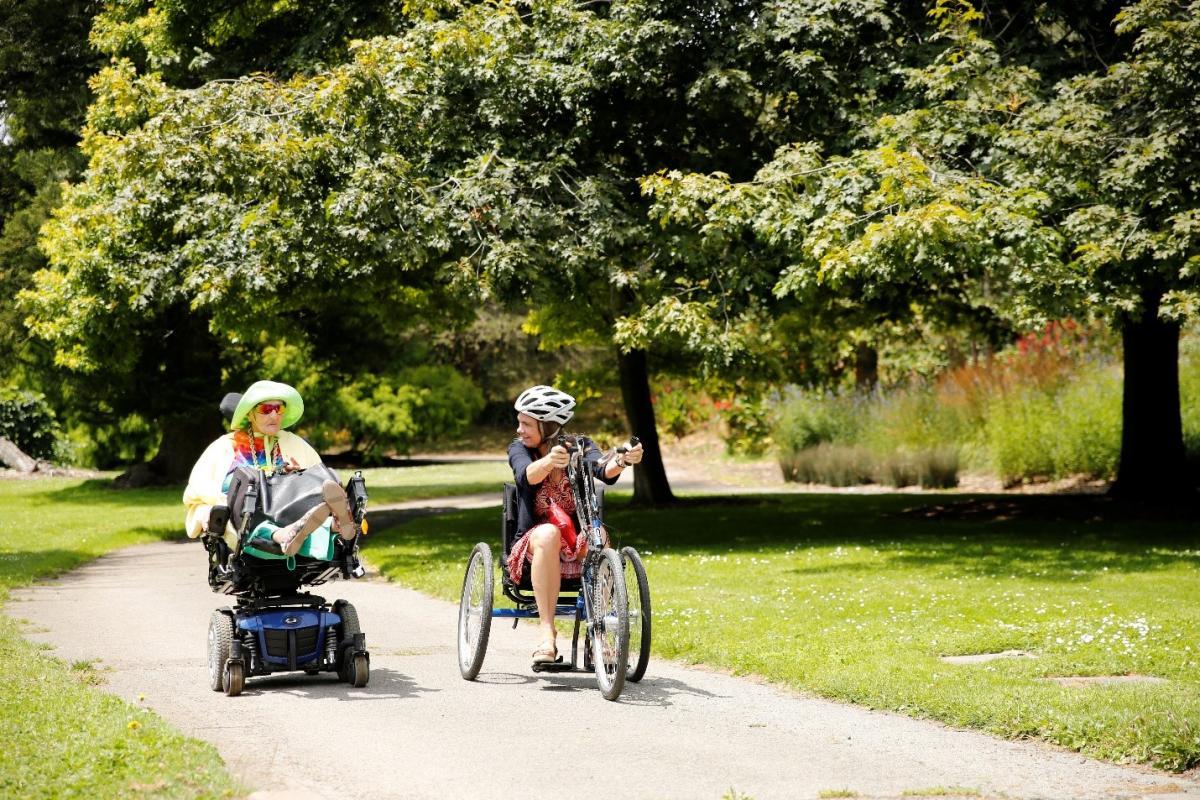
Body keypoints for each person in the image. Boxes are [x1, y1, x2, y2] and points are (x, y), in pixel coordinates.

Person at [507, 385, 643, 664]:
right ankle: (547, 634)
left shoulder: (580, 446)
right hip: (536, 540)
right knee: (548, 533)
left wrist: (623, 460)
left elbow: (603, 469)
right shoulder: (519, 449)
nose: (519, 429)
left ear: (547, 426)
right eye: (519, 422)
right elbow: (525, 476)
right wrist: (548, 462)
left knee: (598, 534)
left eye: (526, 424)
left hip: (575, 537)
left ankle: (600, 633)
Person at [183, 380, 357, 559]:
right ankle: (294, 533)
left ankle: (326, 524)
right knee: (248, 494)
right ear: (250, 414)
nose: (274, 415)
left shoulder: (294, 443)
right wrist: (207, 511)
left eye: (279, 409)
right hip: (245, 514)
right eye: (266, 409)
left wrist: (298, 475)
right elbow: (197, 494)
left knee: (316, 479)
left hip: (289, 508)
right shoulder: (224, 447)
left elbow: (321, 482)